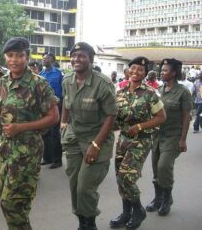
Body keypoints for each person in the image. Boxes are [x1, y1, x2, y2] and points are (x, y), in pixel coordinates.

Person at [0, 37, 59, 230]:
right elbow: (2, 112)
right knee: (8, 203)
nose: (14, 60)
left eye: (19, 55)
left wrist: (21, 127)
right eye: (10, 55)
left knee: (14, 205)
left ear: (27, 57)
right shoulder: (2, 83)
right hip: (5, 151)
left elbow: (53, 117)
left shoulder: (38, 83)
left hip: (27, 153)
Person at [60, 42, 118, 230]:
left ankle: (90, 223)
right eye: (74, 55)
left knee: (85, 187)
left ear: (91, 60)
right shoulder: (67, 80)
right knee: (74, 185)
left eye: (82, 56)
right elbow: (66, 104)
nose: (77, 59)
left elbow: (111, 115)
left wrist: (96, 145)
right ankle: (82, 221)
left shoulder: (102, 83)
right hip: (74, 139)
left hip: (97, 138)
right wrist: (63, 122)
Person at [110, 56, 166, 230]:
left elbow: (161, 117)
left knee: (126, 177)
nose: (135, 72)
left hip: (142, 140)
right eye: (133, 68)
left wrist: (141, 126)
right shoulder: (120, 92)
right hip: (124, 139)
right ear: (128, 70)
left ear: (145, 73)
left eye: (140, 69)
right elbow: (117, 119)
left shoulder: (150, 93)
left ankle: (138, 211)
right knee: (120, 177)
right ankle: (126, 213)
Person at [145, 58, 192, 217]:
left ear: (174, 73)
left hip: (173, 136)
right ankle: (158, 198)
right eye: (161, 70)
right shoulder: (158, 90)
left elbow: (186, 117)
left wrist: (183, 139)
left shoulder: (183, 92)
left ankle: (167, 199)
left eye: (165, 70)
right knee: (155, 168)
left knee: (164, 166)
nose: (161, 72)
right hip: (157, 135)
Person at [40, 52, 63, 169]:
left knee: (54, 133)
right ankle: (47, 157)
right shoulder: (41, 74)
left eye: (46, 58)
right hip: (44, 107)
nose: (44, 60)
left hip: (56, 106)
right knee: (45, 134)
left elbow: (63, 92)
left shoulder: (58, 74)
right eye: (43, 58)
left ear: (52, 60)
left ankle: (57, 159)